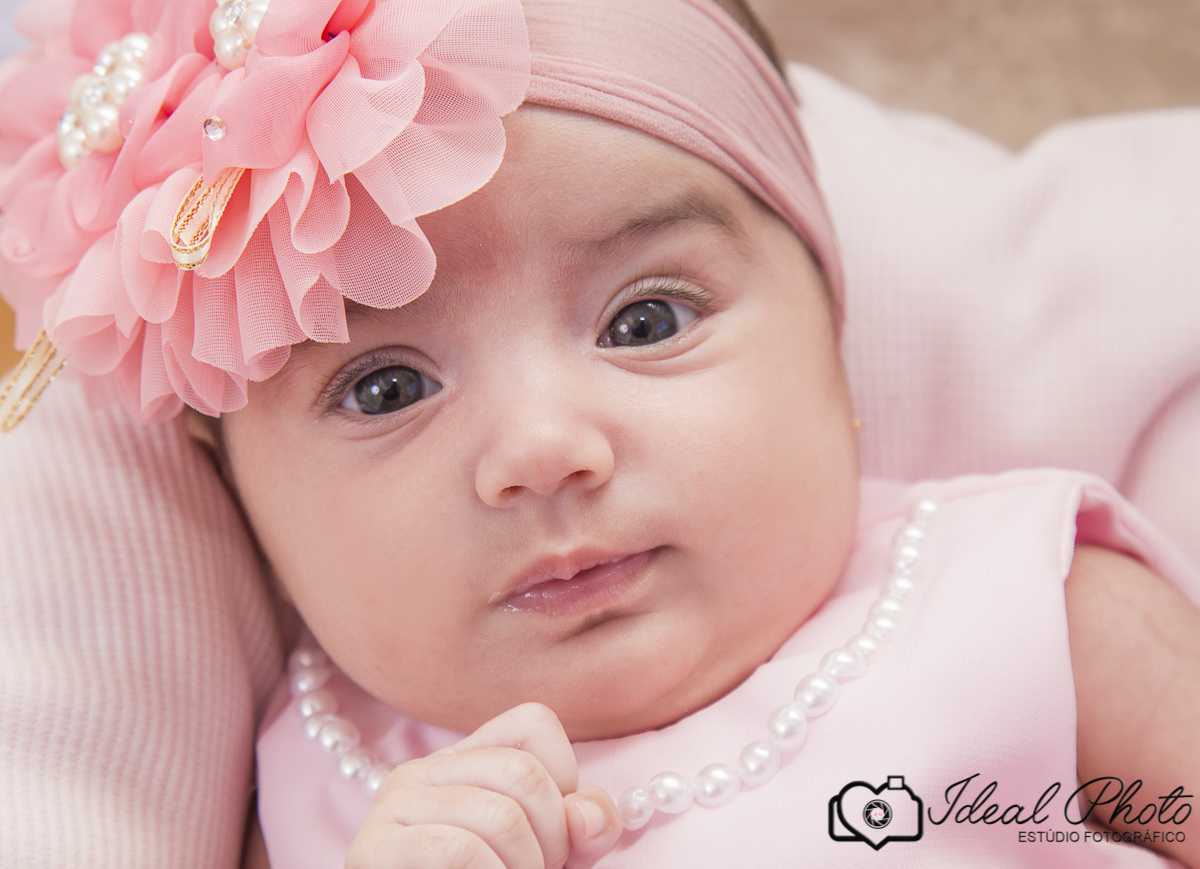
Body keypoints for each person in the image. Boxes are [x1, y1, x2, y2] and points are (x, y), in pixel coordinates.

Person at [0, 0, 1196, 867]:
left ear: (832, 333)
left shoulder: (1023, 603)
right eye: (383, 389)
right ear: (248, 507)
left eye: (646, 317)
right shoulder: (316, 786)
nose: (543, 446)